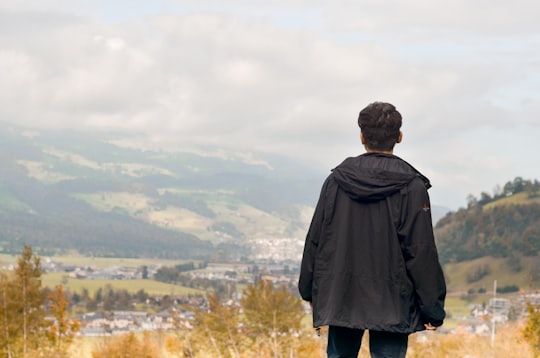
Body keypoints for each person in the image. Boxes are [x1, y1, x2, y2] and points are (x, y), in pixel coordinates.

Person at [298, 102, 446, 358]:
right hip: (393, 301)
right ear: (399, 136)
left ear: (362, 136)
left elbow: (316, 239)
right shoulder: (412, 187)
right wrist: (432, 309)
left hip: (341, 295)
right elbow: (420, 252)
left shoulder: (336, 181)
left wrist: (309, 289)